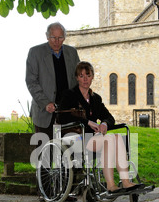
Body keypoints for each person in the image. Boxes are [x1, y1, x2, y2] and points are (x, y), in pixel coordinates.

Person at [58, 61, 139, 194]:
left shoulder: (95, 99)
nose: (85, 79)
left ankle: (125, 181)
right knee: (109, 139)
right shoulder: (69, 95)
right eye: (82, 75)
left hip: (93, 138)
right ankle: (111, 185)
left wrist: (104, 123)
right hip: (75, 137)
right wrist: (88, 122)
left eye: (88, 75)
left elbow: (109, 117)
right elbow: (62, 118)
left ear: (92, 77)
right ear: (77, 77)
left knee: (117, 137)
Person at [25, 22, 80, 139]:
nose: (56, 41)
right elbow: (31, 81)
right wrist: (45, 103)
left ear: (64, 37)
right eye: (53, 37)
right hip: (44, 113)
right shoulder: (35, 53)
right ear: (46, 36)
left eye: (60, 37)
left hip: (68, 113)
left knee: (67, 153)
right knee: (44, 153)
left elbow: (77, 79)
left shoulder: (72, 53)